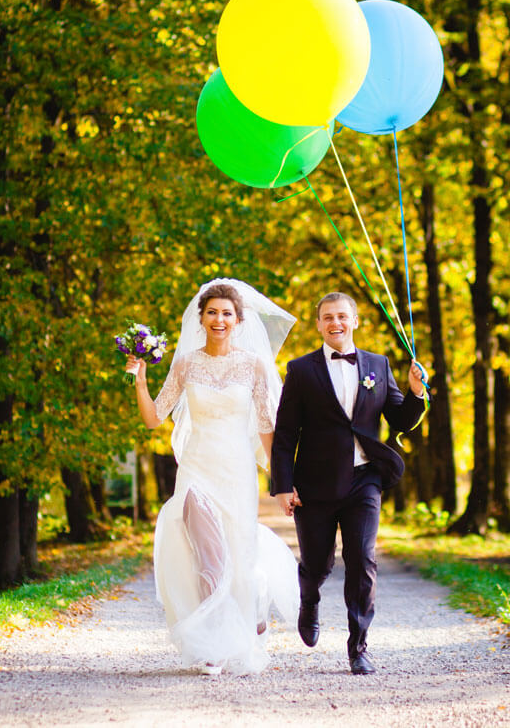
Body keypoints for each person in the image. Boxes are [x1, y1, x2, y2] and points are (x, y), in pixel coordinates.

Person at [127, 279, 299, 676]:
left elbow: (266, 429)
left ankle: (252, 610)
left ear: (238, 321)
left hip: (237, 472)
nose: (219, 319)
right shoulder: (186, 363)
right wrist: (139, 378)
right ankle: (212, 646)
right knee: (208, 558)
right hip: (196, 471)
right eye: (212, 312)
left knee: (239, 557)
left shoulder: (254, 366)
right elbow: (154, 418)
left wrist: (281, 484)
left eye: (226, 313)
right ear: (200, 318)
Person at [270, 292, 428, 675]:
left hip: (364, 481)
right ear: (319, 324)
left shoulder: (378, 364)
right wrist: (282, 485)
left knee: (362, 560)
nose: (335, 323)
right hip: (315, 485)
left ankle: (359, 647)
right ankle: (308, 602)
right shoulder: (300, 370)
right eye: (327, 317)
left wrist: (417, 391)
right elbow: (286, 433)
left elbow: (402, 420)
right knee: (317, 563)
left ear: (355, 321)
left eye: (342, 316)